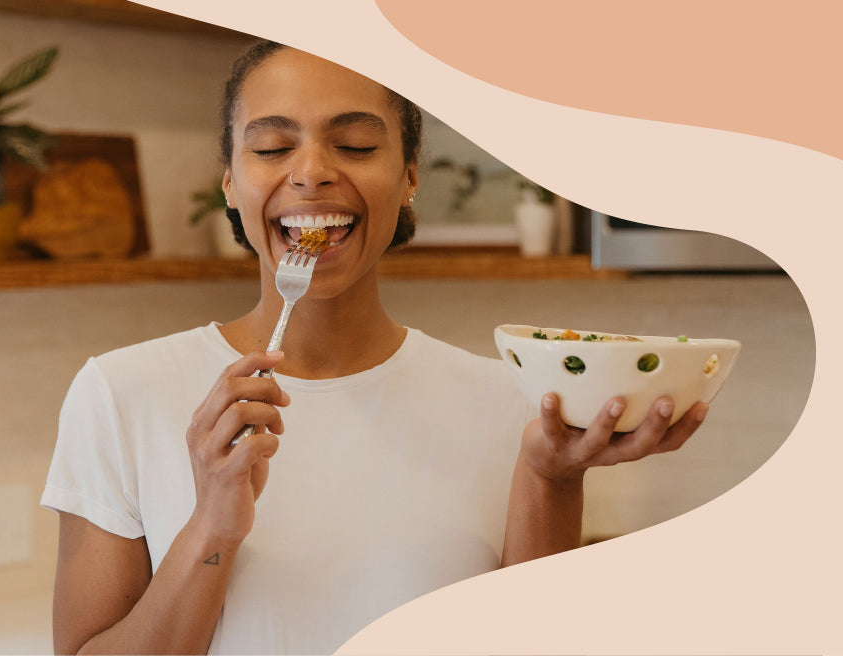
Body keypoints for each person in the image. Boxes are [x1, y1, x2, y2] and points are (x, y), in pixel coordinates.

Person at [37, 41, 710, 655]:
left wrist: (552, 481)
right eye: (272, 149)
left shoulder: (511, 405)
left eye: (356, 145)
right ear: (229, 182)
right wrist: (210, 528)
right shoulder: (119, 396)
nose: (311, 173)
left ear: (410, 176)